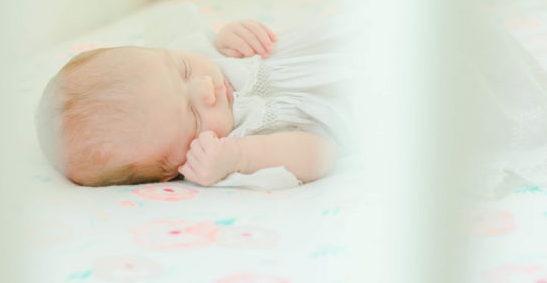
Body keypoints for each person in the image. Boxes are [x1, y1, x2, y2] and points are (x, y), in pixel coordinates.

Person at [36, 11, 352, 189]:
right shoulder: (228, 149)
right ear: (174, 168)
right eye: (193, 115)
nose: (205, 88)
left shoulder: (201, 52)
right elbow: (322, 153)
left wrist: (229, 33)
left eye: (183, 69)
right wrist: (241, 156)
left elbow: (178, 19)